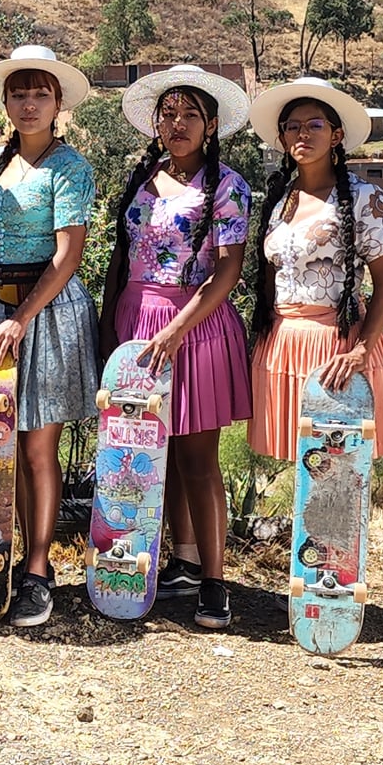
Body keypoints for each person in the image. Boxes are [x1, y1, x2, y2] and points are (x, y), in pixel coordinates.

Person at [96, 65, 254, 631]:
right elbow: (122, 259)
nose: (178, 124)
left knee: (196, 460)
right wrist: (109, 325)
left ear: (211, 125)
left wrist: (177, 329)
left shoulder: (229, 187)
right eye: (169, 114)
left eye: (191, 114)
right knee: (149, 456)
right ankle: (166, 566)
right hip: (136, 323)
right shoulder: (142, 180)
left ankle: (215, 584)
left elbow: (228, 270)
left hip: (194, 326)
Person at [0, 45, 98, 628]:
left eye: (41, 93)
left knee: (37, 447)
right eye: (20, 93)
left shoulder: (71, 168)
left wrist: (23, 316)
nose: (29, 103)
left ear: (58, 102)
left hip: (45, 311)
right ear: (6, 102)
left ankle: (38, 569)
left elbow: (67, 257)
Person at [246, 77, 383, 473]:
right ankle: (308, 539)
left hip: (337, 346)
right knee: (305, 468)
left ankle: (338, 539)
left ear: (336, 135)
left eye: (315, 125)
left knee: (339, 469)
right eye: (293, 126)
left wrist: (361, 350)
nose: (303, 134)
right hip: (285, 343)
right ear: (283, 138)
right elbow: (270, 274)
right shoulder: (279, 200)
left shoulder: (366, 199)